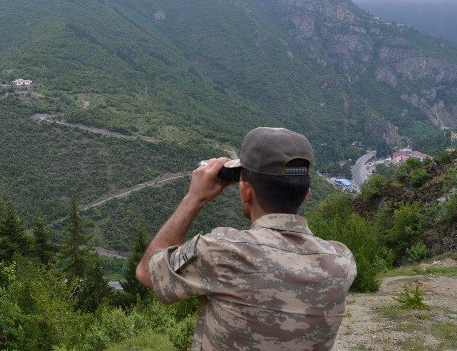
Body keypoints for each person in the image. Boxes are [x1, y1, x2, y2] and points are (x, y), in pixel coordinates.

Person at [136, 127, 357, 350]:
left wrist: (193, 198)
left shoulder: (222, 252)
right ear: (306, 194)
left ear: (246, 191)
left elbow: (147, 272)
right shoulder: (341, 263)